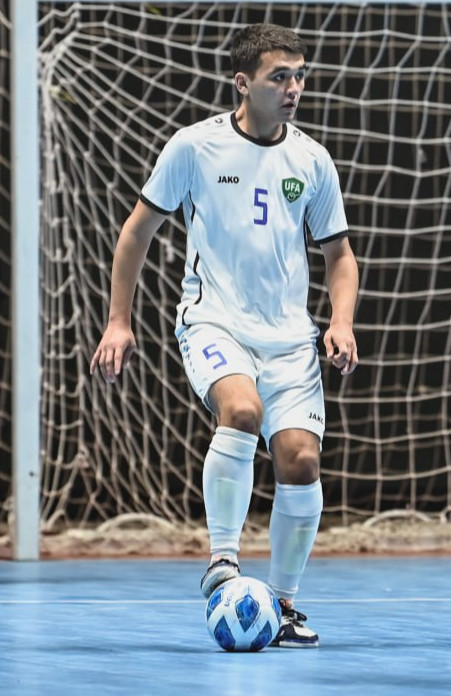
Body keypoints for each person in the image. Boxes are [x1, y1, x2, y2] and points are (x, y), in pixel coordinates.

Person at [90, 24, 359, 649]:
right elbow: (137, 232)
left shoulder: (312, 159)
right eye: (279, 77)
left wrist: (340, 320)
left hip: (290, 337)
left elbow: (339, 254)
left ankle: (285, 604)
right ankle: (223, 561)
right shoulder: (194, 147)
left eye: (300, 75)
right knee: (240, 411)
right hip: (214, 321)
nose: (294, 88)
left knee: (301, 459)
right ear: (243, 83)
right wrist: (119, 321)